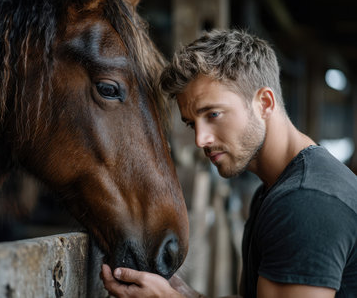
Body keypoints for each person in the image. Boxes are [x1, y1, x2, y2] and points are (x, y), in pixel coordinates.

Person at [101, 29, 357, 298]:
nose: (201, 139)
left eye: (213, 114)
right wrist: (187, 295)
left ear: (264, 103)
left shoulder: (306, 202)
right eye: (192, 124)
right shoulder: (277, 190)